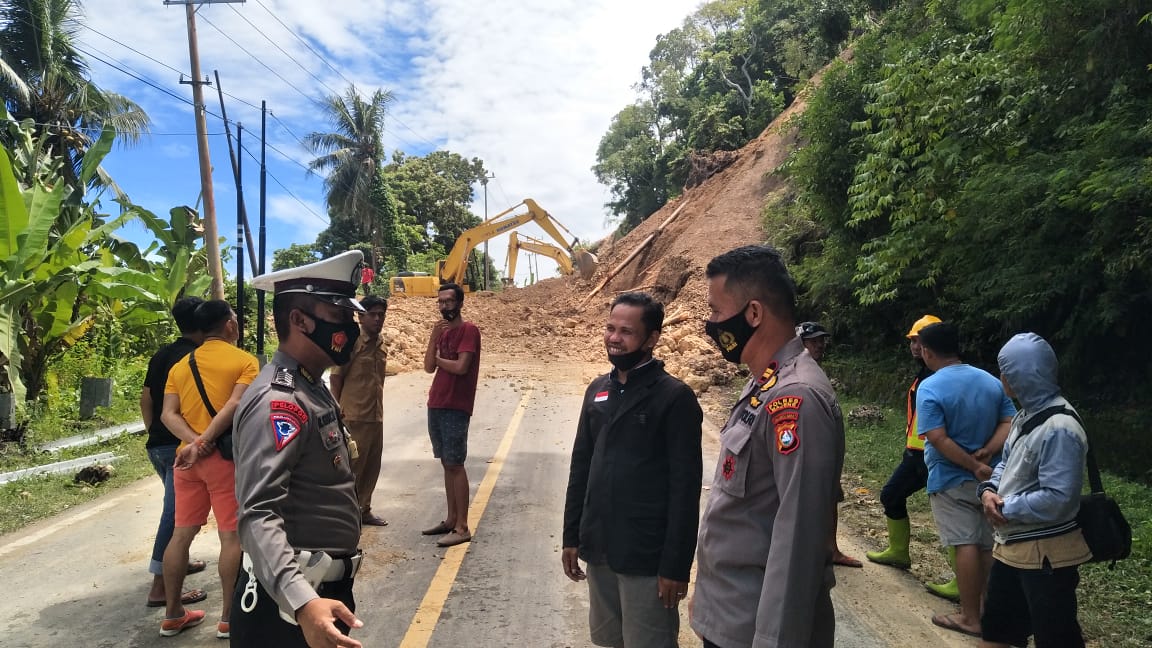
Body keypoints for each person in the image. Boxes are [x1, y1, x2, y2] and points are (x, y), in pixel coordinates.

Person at [691, 245, 846, 648]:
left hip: (754, 629)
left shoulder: (796, 399)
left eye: (715, 311)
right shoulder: (764, 381)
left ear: (753, 314)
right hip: (730, 613)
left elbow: (798, 541)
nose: (710, 324)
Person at [231, 250, 369, 648]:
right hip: (288, 608)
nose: (350, 328)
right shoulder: (280, 402)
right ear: (298, 320)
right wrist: (301, 602)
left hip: (317, 595)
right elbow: (257, 512)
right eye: (340, 316)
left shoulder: (312, 388)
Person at [562, 292, 704, 648]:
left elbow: (685, 489)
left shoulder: (674, 397)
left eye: (626, 331)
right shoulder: (598, 390)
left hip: (646, 557)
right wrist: (571, 536)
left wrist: (675, 566)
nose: (614, 337)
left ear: (652, 338)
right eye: (610, 328)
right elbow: (582, 466)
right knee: (608, 641)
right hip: (600, 548)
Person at [977, 333, 1091, 648]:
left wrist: (1005, 508)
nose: (1002, 378)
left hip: (1047, 557)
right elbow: (1007, 463)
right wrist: (989, 490)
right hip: (1012, 548)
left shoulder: (1060, 429)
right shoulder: (1025, 415)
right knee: (997, 633)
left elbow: (1059, 499)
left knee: (1055, 637)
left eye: (1006, 371)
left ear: (1021, 376)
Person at [158, 300, 259, 638]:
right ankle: (229, 618)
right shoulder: (245, 361)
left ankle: (173, 614)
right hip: (223, 461)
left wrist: (192, 444)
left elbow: (167, 415)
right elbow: (235, 404)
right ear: (229, 325)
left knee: (181, 534)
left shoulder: (181, 366)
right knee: (230, 537)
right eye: (235, 318)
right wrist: (205, 443)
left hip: (185, 461)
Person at [915, 321, 1015, 638]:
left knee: (965, 544)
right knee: (987, 546)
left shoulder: (930, 387)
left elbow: (937, 438)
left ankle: (970, 617)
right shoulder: (989, 381)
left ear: (927, 352)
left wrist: (972, 465)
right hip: (992, 479)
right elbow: (1009, 420)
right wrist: (987, 453)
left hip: (951, 479)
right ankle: (990, 613)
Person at [865, 314, 960, 601]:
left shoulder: (942, 376)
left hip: (935, 454)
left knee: (950, 518)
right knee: (891, 495)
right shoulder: (924, 372)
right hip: (916, 454)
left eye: (919, 341)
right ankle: (898, 552)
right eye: (912, 341)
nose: (915, 346)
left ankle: (963, 581)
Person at [140, 296, 208, 609]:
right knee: (177, 517)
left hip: (158, 444)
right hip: (183, 446)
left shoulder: (162, 354)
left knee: (178, 511)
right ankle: (159, 588)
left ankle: (178, 563)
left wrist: (156, 432)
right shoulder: (197, 358)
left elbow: (146, 398)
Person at [421, 282, 481, 548]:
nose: (444, 306)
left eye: (448, 301)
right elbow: (427, 367)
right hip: (436, 403)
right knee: (447, 463)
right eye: (441, 301)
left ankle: (462, 526)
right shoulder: (442, 334)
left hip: (456, 406)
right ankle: (450, 519)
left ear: (460, 303)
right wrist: (434, 339)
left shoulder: (469, 331)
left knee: (456, 464)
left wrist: (438, 358)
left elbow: (460, 366)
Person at [797, 321, 862, 569]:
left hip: (825, 443)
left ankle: (831, 549)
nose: (819, 345)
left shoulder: (816, 371)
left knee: (831, 493)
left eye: (821, 340)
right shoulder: (794, 373)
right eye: (813, 341)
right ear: (800, 343)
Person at [330, 294, 390, 527]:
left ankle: (364, 509)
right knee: (352, 468)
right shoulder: (352, 342)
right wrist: (336, 411)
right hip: (353, 416)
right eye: (373, 314)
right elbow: (336, 378)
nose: (377, 319)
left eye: (381, 315)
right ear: (360, 316)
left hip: (375, 415)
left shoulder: (380, 342)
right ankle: (345, 515)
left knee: (371, 466)